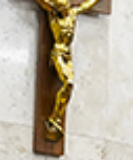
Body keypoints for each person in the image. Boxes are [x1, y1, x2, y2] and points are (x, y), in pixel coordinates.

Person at [35, 0, 102, 139]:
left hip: (68, 55)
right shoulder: (54, 14)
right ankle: (54, 118)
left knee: (69, 86)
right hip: (58, 53)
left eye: (66, 4)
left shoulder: (73, 13)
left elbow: (87, 4)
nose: (65, 6)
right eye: (62, 5)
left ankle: (56, 118)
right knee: (68, 83)